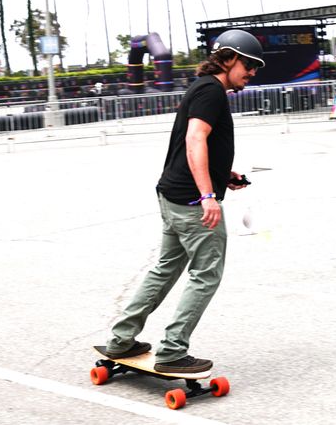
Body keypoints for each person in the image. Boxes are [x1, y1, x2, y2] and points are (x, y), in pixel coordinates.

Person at [102, 28, 264, 375]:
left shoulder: (202, 88)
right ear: (229, 58)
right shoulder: (212, 92)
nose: (252, 73)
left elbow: (194, 145)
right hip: (192, 202)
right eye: (248, 65)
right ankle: (173, 350)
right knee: (205, 274)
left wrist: (224, 175)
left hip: (172, 195)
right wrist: (208, 194)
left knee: (165, 269)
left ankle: (121, 340)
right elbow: (194, 139)